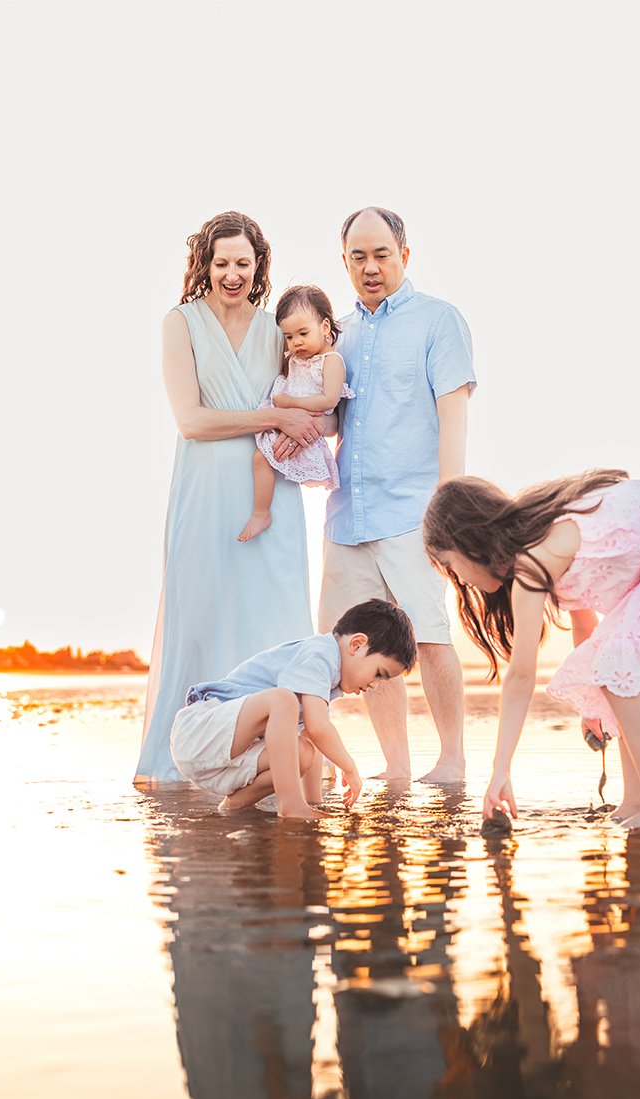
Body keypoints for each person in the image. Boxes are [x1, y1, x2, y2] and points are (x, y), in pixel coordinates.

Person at [422, 469, 640, 829]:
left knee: (616, 665)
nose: (460, 581)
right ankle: (637, 801)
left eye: (450, 566)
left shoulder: (535, 561)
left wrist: (500, 771)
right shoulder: (543, 540)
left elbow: (521, 674)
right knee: (615, 665)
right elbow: (586, 630)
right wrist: (597, 707)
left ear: (469, 542)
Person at [136, 211, 329, 783]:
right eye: (222, 262)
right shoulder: (181, 323)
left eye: (244, 263)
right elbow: (190, 420)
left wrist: (308, 418)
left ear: (258, 266)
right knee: (199, 618)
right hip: (204, 492)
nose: (232, 274)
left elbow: (316, 394)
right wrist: (273, 414)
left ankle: (275, 762)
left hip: (271, 498)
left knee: (274, 621)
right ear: (205, 263)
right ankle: (180, 761)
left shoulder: (278, 331)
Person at [311, 206, 474, 785]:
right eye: (358, 256)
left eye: (381, 253)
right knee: (364, 649)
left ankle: (451, 759)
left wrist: (448, 509)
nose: (370, 266)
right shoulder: (340, 335)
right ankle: (398, 767)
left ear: (405, 254)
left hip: (413, 515)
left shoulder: (438, 321)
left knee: (429, 636)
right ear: (346, 262)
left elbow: (452, 417)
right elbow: (332, 421)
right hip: (347, 518)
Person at [167, 599, 416, 818]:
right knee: (282, 700)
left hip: (221, 755)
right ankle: (290, 805)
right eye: (379, 674)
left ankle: (235, 805)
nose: (374, 685)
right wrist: (349, 767)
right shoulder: (320, 655)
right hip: (199, 731)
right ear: (357, 644)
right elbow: (319, 728)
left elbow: (313, 735)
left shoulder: (326, 683)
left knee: (302, 752)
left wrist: (315, 802)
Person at [240, 286, 349, 543]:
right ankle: (261, 511)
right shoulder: (294, 358)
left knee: (262, 459)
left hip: (305, 427)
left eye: (303, 333)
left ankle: (261, 513)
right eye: (289, 337)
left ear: (324, 327)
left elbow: (329, 400)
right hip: (285, 422)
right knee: (259, 459)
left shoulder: (331, 361)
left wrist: (289, 402)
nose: (296, 342)